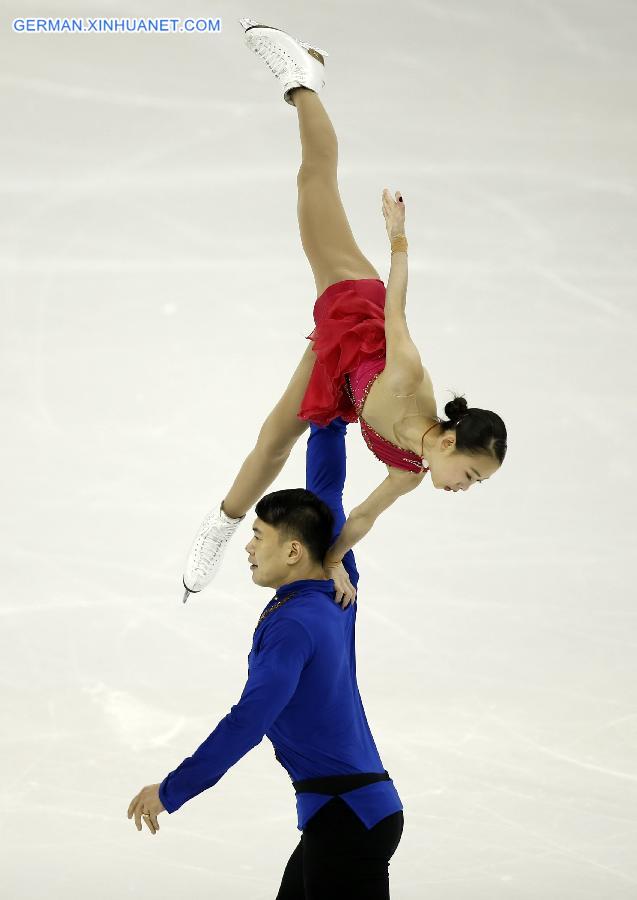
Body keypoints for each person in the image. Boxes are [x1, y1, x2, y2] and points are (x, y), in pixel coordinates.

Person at [182, 19, 508, 607]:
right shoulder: (410, 380)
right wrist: (398, 237)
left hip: (343, 378)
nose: (467, 487)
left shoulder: (410, 473)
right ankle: (303, 82)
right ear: (451, 441)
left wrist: (334, 566)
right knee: (314, 184)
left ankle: (223, 523)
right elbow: (398, 306)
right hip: (357, 304)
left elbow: (359, 519)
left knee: (275, 439)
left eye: (475, 483)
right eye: (473, 473)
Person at [127, 417, 404, 899]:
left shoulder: (294, 626)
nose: (249, 548)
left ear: (294, 550)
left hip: (347, 817)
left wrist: (172, 791)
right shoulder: (337, 580)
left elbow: (249, 721)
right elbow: (326, 490)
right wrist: (328, 421)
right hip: (345, 813)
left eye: (258, 536)